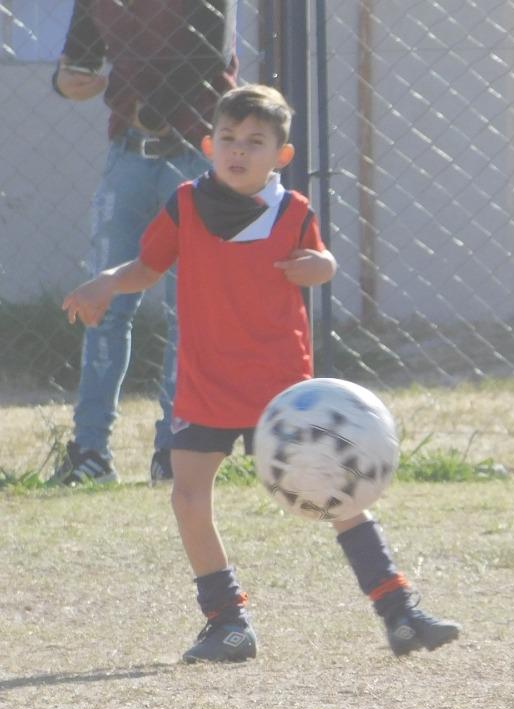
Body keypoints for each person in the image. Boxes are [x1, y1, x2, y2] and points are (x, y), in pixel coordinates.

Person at [62, 85, 460, 664]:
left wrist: (320, 265)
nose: (239, 150)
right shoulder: (185, 204)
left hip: (283, 390)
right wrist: (106, 281)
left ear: (281, 155)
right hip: (205, 384)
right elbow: (148, 267)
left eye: (255, 141)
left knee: (339, 493)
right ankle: (227, 624)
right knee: (188, 498)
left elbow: (321, 262)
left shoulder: (292, 211)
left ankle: (400, 613)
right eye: (228, 138)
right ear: (208, 145)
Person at [50, 0, 237, 485]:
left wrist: (151, 108)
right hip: (128, 153)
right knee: (104, 304)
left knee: (188, 308)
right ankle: (90, 452)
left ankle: (175, 448)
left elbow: (208, 57)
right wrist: (66, 81)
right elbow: (80, 59)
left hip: (194, 155)